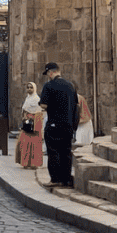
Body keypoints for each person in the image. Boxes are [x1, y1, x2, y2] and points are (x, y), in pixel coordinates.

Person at [39, 61, 79, 189]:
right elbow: (76, 106)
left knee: (53, 152)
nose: (48, 76)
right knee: (66, 152)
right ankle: (66, 179)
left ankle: (56, 179)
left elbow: (43, 105)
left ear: (51, 72)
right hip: (68, 125)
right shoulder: (71, 86)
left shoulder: (49, 85)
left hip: (54, 125)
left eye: (47, 74)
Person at [15, 82, 44, 169]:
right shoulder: (27, 99)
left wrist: (32, 118)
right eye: (28, 87)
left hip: (34, 125)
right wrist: (24, 117)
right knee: (24, 144)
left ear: (34, 89)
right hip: (27, 124)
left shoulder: (37, 99)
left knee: (34, 145)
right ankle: (25, 162)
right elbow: (24, 110)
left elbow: (39, 112)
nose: (29, 89)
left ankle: (34, 163)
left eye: (31, 87)